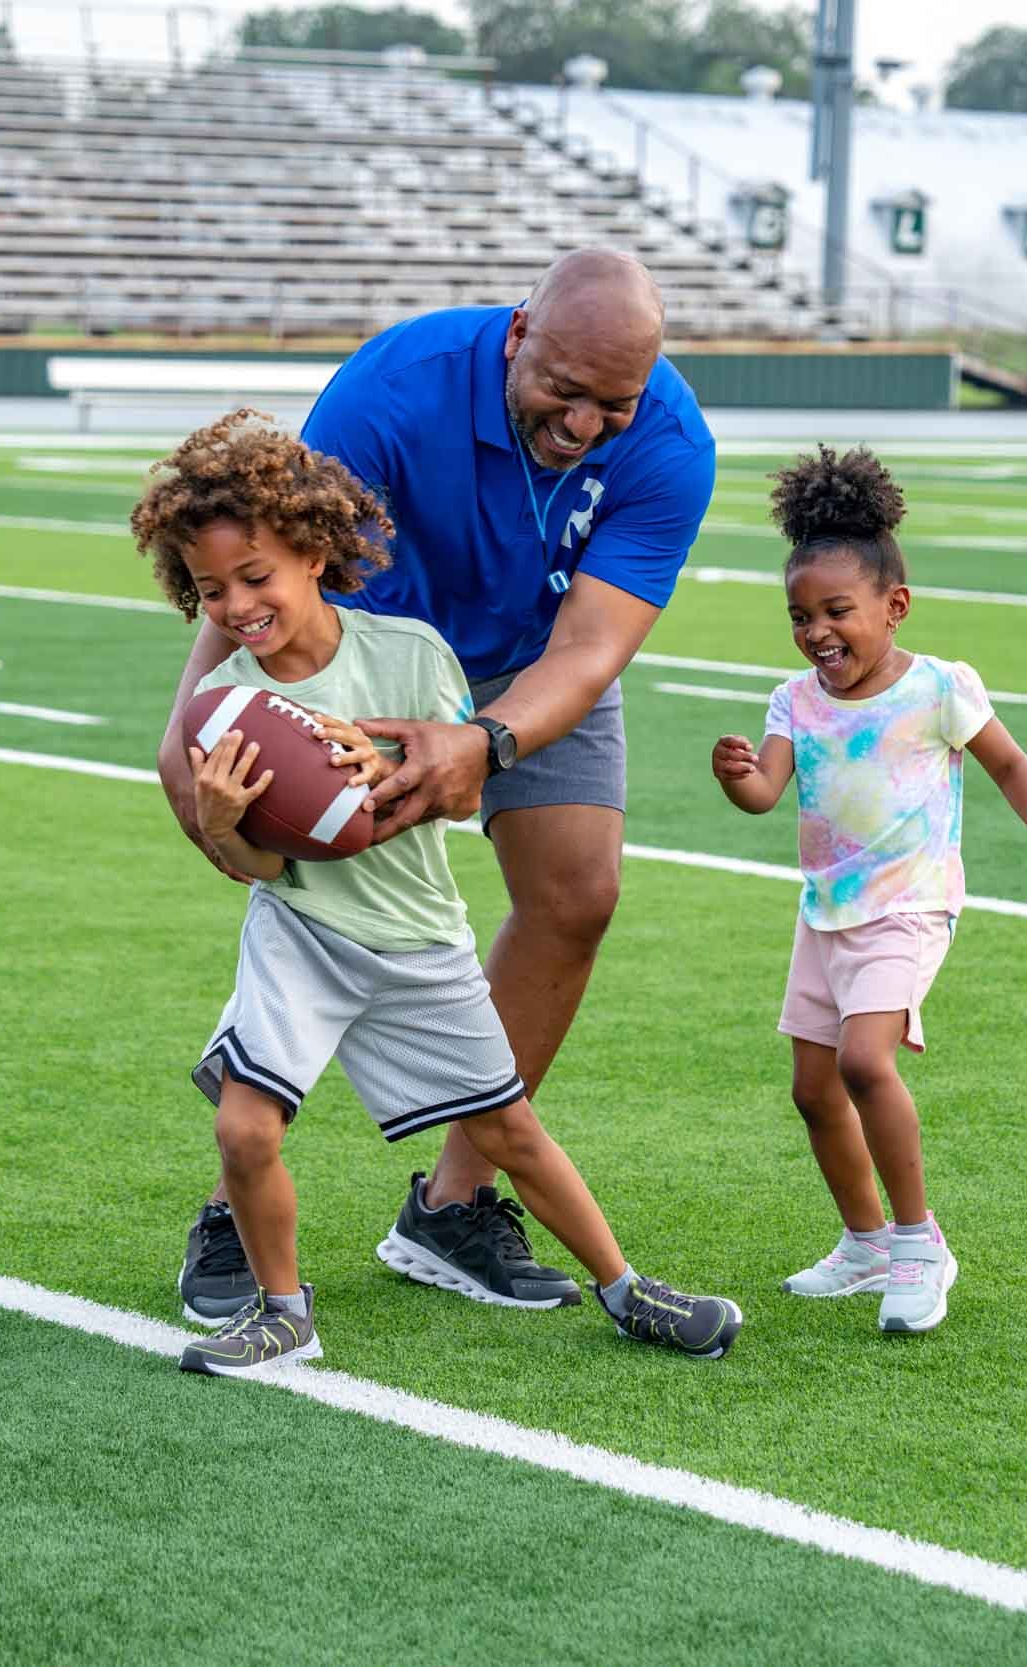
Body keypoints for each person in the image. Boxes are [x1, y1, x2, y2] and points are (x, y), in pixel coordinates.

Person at [157, 250, 717, 1324]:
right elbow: (272, 553)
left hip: (525, 662)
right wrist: (197, 738)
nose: (588, 422)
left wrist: (483, 742)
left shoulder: (672, 443)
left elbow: (594, 644)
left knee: (577, 894)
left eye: (616, 402)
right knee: (307, 903)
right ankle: (238, 1195)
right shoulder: (394, 388)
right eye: (566, 391)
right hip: (360, 652)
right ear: (519, 336)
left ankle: (454, 1206)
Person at [709, 446, 1027, 1335]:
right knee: (813, 1091)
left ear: (895, 606)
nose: (817, 632)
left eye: (837, 611)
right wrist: (734, 774)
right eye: (800, 616)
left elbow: (1012, 764)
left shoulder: (937, 688)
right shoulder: (792, 701)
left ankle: (922, 1244)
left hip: (910, 906)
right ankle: (866, 1240)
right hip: (826, 912)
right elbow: (766, 794)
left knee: (862, 1062)